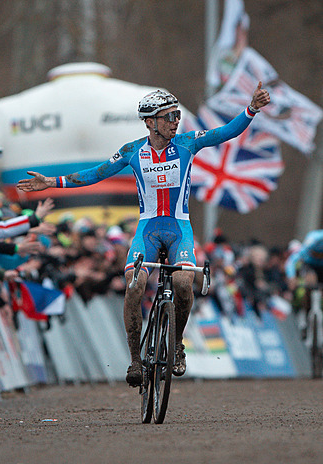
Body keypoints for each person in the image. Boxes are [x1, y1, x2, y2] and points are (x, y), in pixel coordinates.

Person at [18, 82, 271, 386]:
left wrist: (252, 108)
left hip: (179, 228)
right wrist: (52, 181)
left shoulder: (188, 143)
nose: (176, 121)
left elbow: (225, 132)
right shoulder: (132, 151)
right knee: (135, 286)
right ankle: (135, 360)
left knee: (182, 281)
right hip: (147, 230)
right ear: (150, 122)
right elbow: (95, 175)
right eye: (169, 117)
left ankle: (177, 345)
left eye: (177, 115)